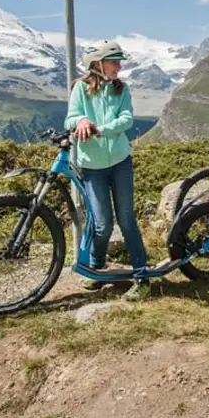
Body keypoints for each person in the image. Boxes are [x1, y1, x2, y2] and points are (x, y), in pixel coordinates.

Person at [65, 39, 150, 301]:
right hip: (92, 167)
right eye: (114, 61)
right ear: (98, 64)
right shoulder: (80, 88)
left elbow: (126, 119)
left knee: (127, 220)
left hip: (120, 163)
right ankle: (97, 267)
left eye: (118, 61)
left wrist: (101, 129)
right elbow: (70, 118)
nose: (118, 66)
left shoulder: (120, 89)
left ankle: (141, 274)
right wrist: (81, 120)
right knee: (102, 224)